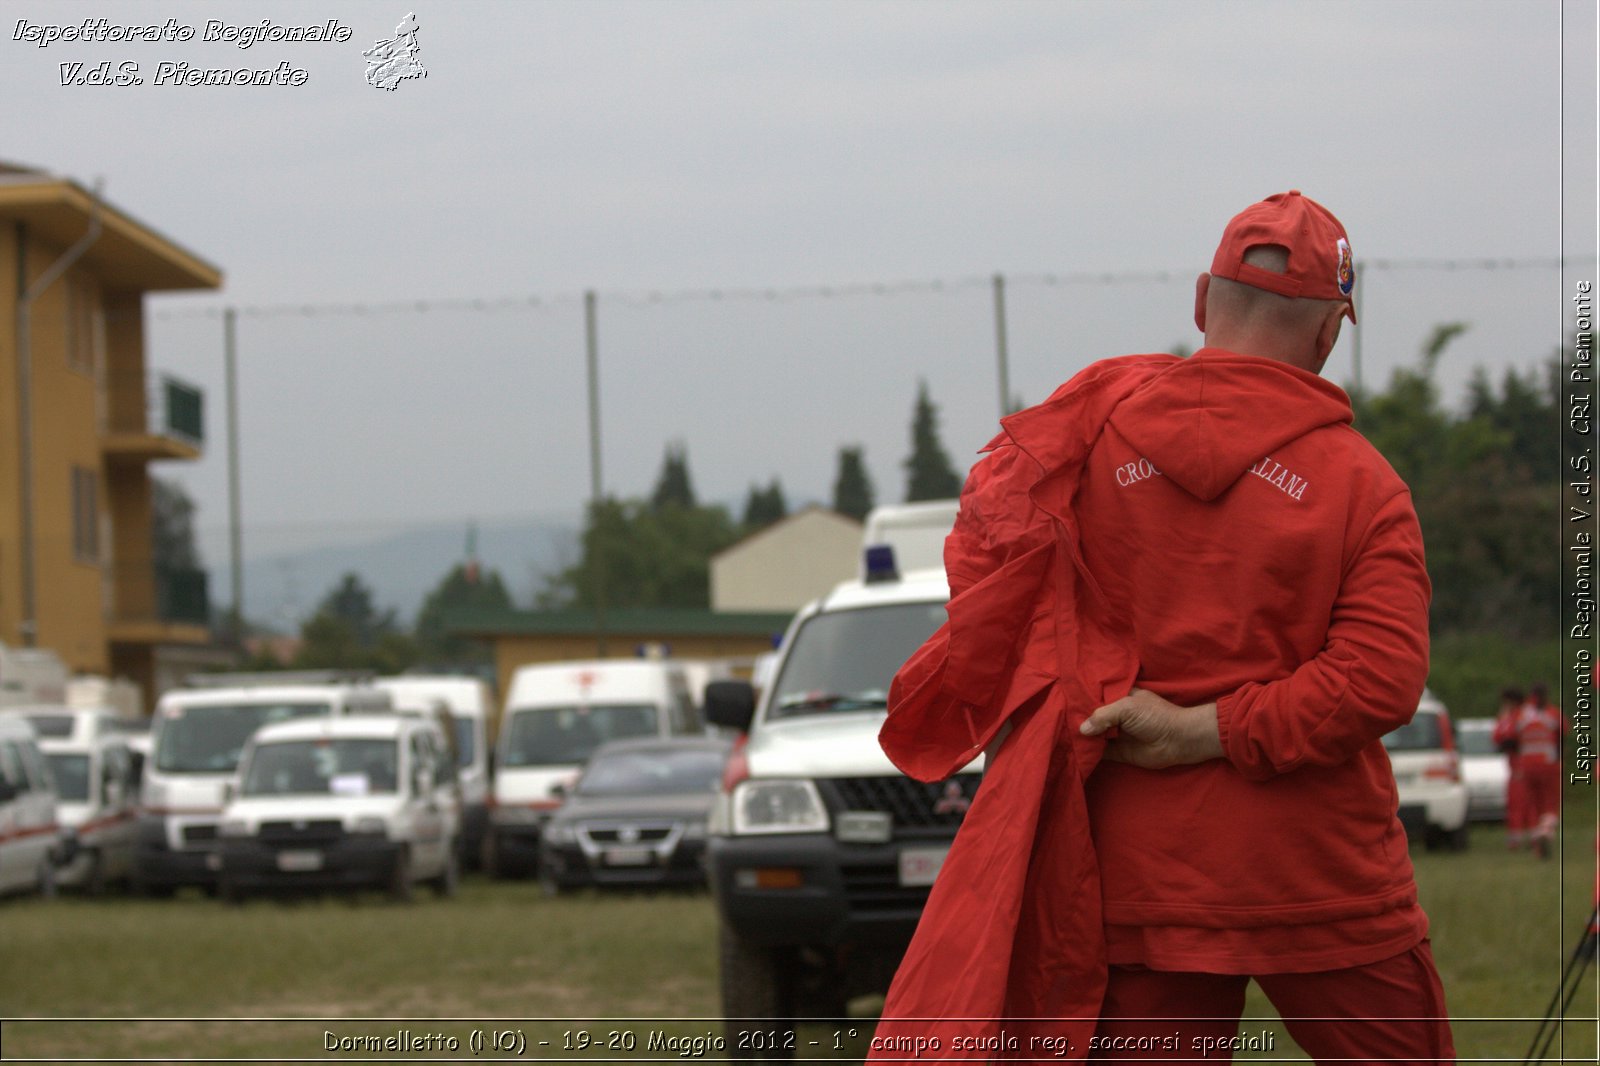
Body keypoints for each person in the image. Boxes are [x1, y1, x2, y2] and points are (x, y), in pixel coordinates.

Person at [874, 191, 1453, 1063]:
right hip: (1323, 877)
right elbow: (1378, 680)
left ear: (1198, 301)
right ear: (1332, 334)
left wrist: (1191, 730)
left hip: (1143, 881)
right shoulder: (1366, 485)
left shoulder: (1081, 451)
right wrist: (1217, 731)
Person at [1511, 682, 1565, 859]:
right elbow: (1562, 735)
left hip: (1527, 764)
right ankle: (1546, 832)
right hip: (1548, 763)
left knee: (1533, 803)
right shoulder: (1552, 714)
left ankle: (1536, 842)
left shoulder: (1521, 716)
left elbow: (1509, 737)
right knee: (1550, 802)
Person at [1491, 685, 1528, 849]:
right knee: (1527, 804)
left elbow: (1499, 736)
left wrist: (1502, 717)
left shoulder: (1515, 717)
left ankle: (1517, 839)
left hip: (1520, 766)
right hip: (1524, 765)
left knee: (1517, 803)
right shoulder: (1528, 714)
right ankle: (1535, 836)